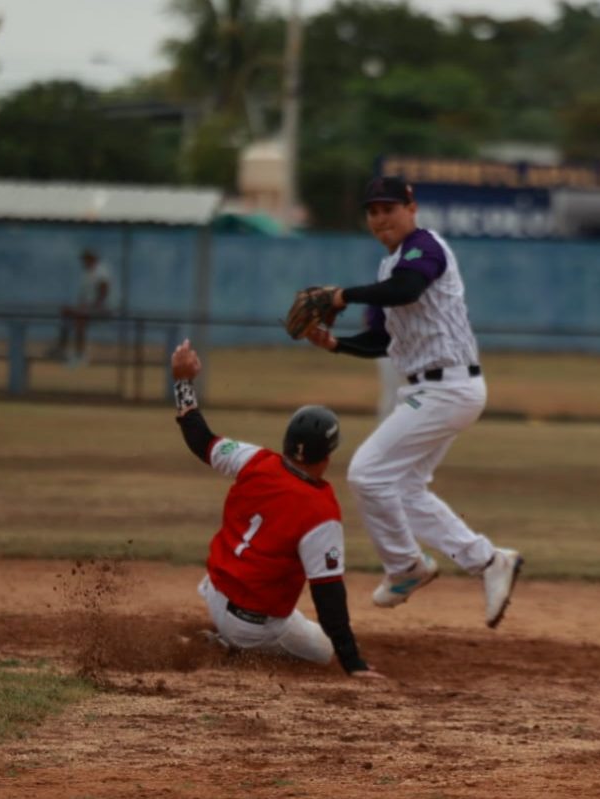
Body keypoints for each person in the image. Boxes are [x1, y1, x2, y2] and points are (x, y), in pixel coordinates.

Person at [300, 175, 522, 629]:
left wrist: (343, 294)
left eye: (389, 208)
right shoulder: (390, 268)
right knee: (404, 488)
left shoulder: (425, 247)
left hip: (449, 388)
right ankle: (488, 561)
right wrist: (335, 345)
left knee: (367, 473)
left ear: (411, 207)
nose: (381, 218)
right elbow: (383, 339)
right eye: (373, 211)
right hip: (429, 388)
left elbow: (407, 290)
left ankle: (405, 567)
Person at [170, 339, 383, 678]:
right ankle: (231, 644)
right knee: (321, 649)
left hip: (214, 589)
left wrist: (183, 382)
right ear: (328, 456)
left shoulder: (255, 460)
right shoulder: (320, 511)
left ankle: (223, 636)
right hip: (253, 627)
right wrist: (352, 661)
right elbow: (328, 595)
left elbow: (201, 440)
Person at [48, 248, 112, 367]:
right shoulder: (87, 273)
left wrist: (92, 306)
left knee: (80, 320)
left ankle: (80, 354)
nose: (84, 262)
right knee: (66, 313)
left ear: (93, 259)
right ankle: (61, 348)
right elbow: (83, 296)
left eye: (86, 259)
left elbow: (104, 291)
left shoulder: (101, 271)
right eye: (84, 260)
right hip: (88, 307)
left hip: (100, 308)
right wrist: (79, 307)